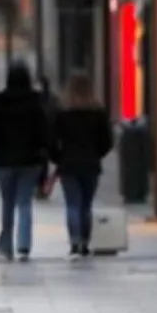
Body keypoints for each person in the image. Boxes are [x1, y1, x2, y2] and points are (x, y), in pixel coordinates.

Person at [0, 62, 52, 261]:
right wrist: (43, 150)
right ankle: (24, 244)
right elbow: (44, 130)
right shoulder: (35, 102)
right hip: (30, 160)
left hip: (4, 160)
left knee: (7, 204)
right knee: (24, 202)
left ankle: (6, 245)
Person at [51, 72, 114, 259]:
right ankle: (85, 242)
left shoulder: (62, 113)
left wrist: (58, 158)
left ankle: (75, 242)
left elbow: (52, 140)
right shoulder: (98, 113)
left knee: (72, 204)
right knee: (86, 205)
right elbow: (107, 141)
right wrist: (97, 154)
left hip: (68, 164)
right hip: (90, 164)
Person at [35, 76, 63, 201]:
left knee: (42, 163)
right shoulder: (54, 100)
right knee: (45, 163)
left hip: (43, 136)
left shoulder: (36, 99)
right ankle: (43, 187)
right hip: (51, 136)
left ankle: (42, 187)